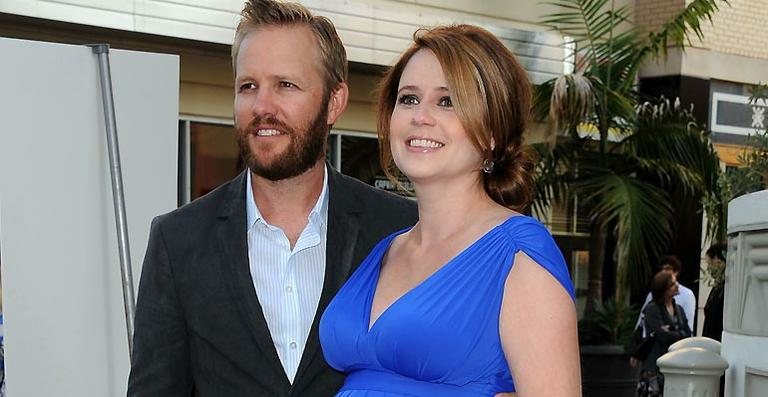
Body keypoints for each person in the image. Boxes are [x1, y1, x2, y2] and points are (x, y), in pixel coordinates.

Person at [127, 1, 417, 395]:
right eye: (248, 86)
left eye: (285, 85)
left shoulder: (399, 230)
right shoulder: (178, 241)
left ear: (334, 101)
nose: (262, 107)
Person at [319, 24, 580, 396]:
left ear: (492, 131)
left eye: (447, 101)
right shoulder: (388, 248)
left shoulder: (517, 255)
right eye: (408, 98)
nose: (420, 116)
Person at [637, 271, 692, 397]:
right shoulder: (652, 309)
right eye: (672, 284)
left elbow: (688, 334)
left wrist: (671, 330)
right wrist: (678, 331)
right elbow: (662, 336)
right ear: (663, 289)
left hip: (675, 364)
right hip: (655, 366)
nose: (677, 285)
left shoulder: (679, 309)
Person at [637, 256, 696, 333]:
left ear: (676, 272)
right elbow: (643, 325)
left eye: (668, 269)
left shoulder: (686, 297)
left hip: (679, 343)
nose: (664, 272)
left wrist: (672, 330)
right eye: (662, 270)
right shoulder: (652, 302)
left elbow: (687, 329)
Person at [702, 243, 727, 341]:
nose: (708, 269)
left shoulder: (726, 289)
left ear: (718, 260)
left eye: (709, 264)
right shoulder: (717, 287)